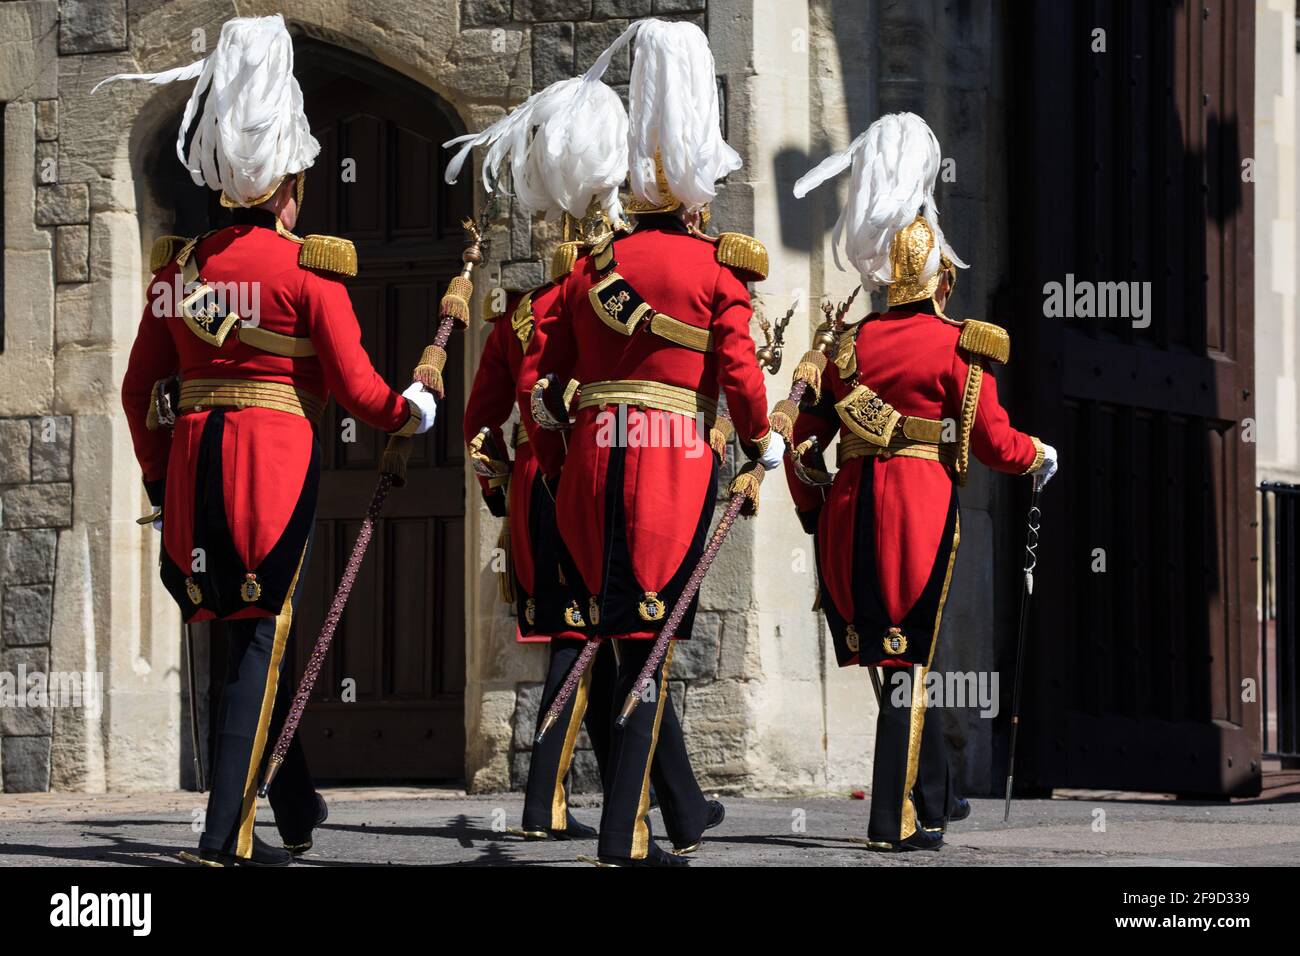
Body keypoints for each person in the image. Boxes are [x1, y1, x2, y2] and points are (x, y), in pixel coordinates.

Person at [105, 15, 437, 866]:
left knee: (241, 629)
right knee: (256, 635)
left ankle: (293, 804)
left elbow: (139, 388)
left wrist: (156, 478)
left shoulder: (176, 274)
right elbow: (361, 391)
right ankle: (223, 836)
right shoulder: (306, 274)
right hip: (271, 472)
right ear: (288, 181)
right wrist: (415, 411)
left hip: (190, 471)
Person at [518, 19, 783, 866]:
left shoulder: (592, 270)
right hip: (670, 459)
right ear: (697, 186)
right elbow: (740, 376)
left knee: (617, 634)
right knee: (649, 647)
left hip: (593, 464)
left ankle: (659, 817)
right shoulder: (715, 273)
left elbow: (546, 379)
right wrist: (762, 441)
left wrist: (559, 457)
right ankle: (621, 839)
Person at [786, 112, 1058, 851]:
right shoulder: (957, 346)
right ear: (940, 277)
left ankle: (933, 797)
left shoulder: (846, 349)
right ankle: (892, 819)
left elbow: (803, 451)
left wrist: (815, 513)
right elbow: (995, 441)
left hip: (850, 512)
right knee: (907, 659)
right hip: (917, 509)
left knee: (892, 656)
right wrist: (1038, 454)